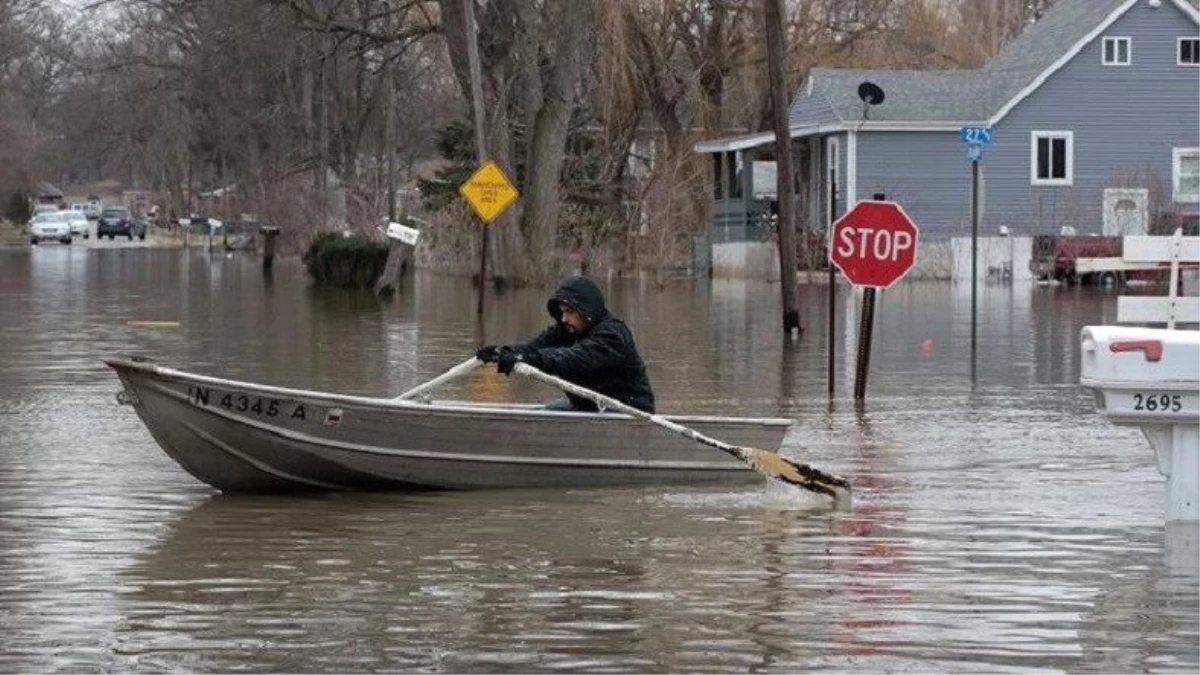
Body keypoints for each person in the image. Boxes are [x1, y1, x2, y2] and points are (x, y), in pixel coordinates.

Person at [477, 275, 655, 413]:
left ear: (587, 311)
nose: (564, 319)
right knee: (541, 414)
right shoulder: (566, 330)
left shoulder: (613, 336)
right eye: (562, 312)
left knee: (547, 418)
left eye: (570, 312)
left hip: (628, 411)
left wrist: (527, 358)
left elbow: (572, 359)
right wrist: (502, 352)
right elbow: (532, 348)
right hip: (588, 406)